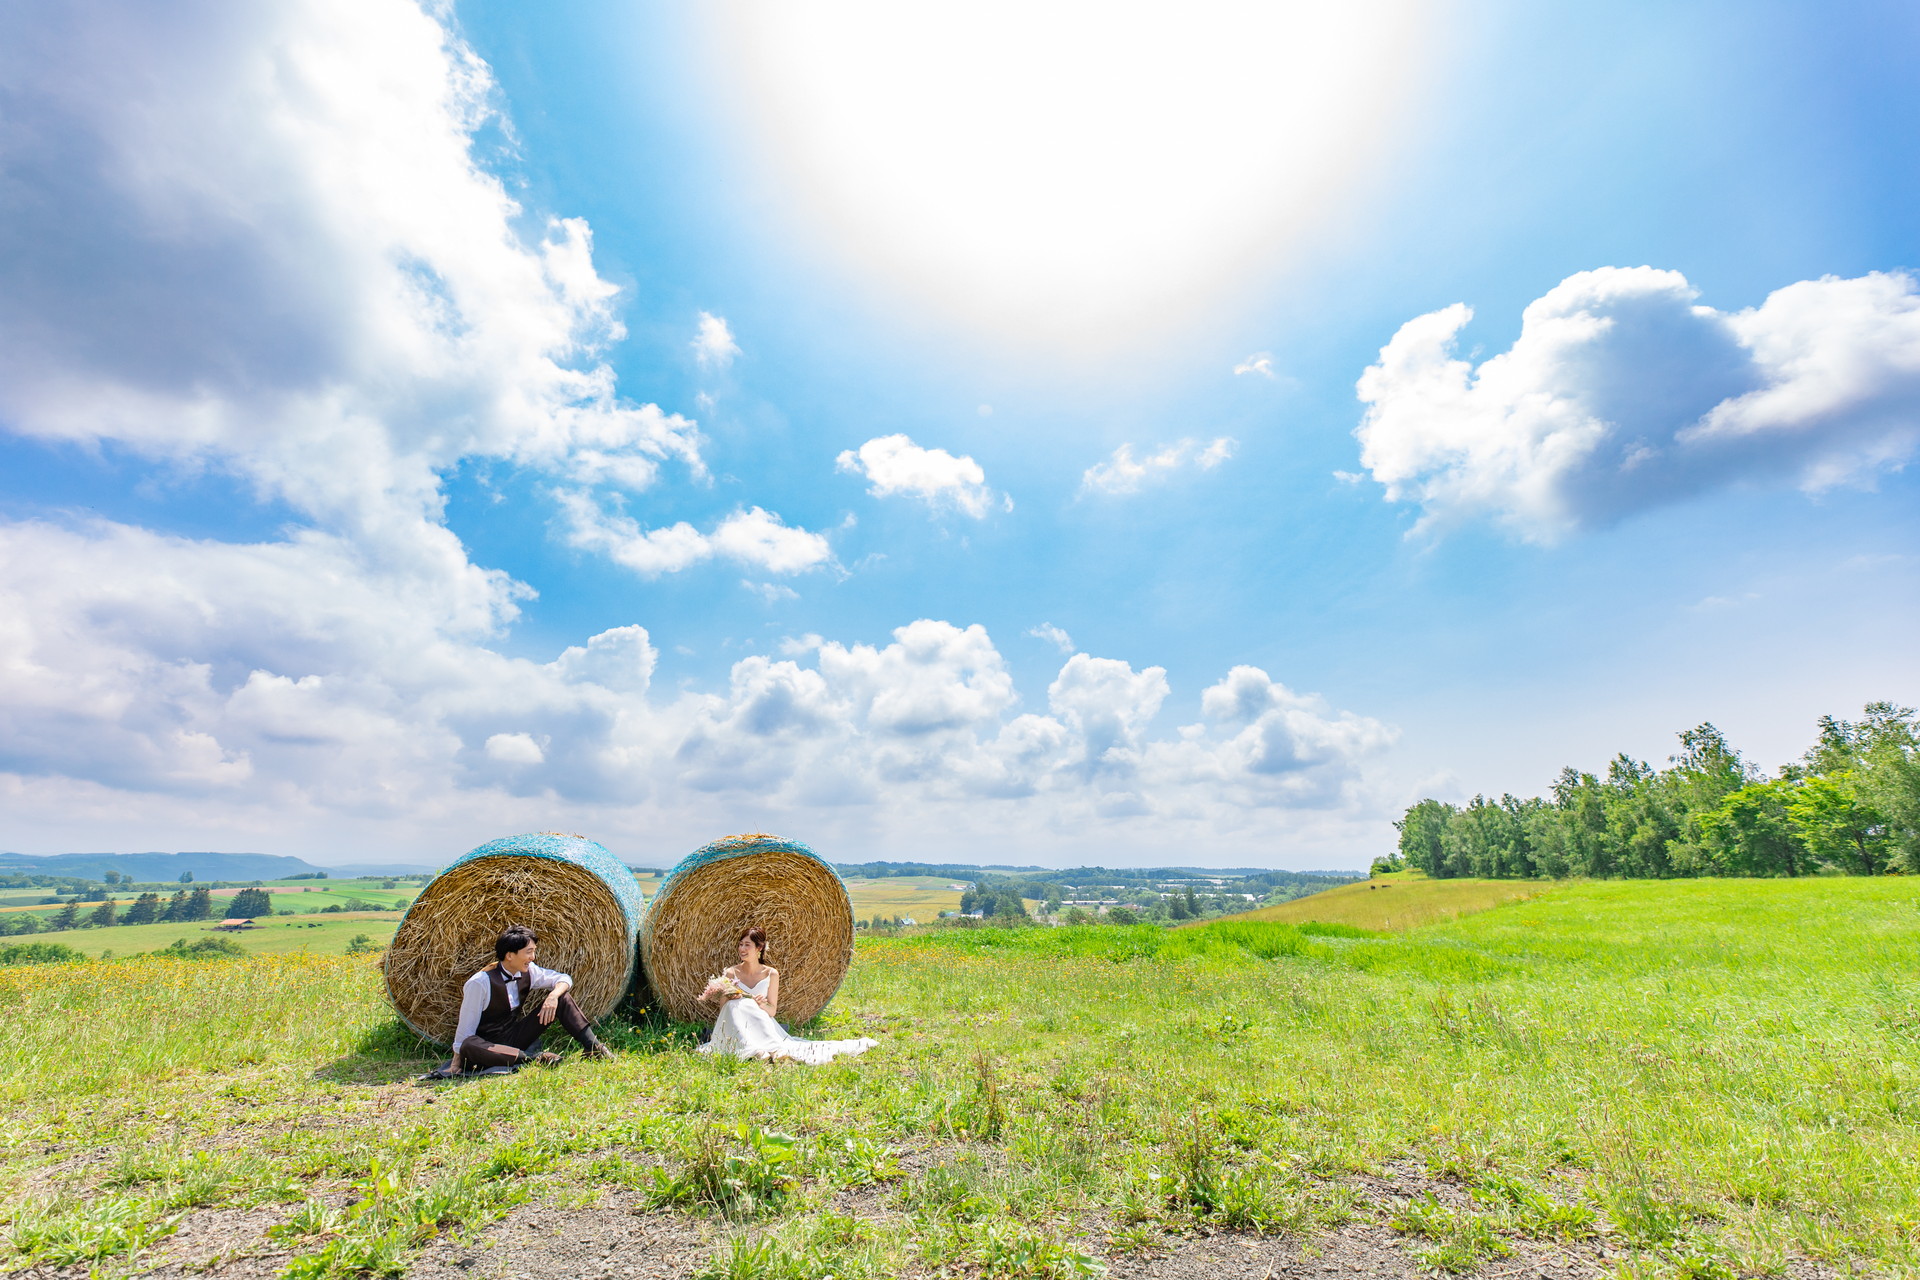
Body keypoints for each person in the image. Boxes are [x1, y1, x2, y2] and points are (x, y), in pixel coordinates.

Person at [440, 925, 614, 1075]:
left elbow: (564, 978)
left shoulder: (529, 971)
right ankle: (534, 1059)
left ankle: (594, 1047)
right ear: (510, 955)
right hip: (486, 1048)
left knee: (561, 997)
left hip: (513, 1036)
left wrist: (553, 996)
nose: (533, 957)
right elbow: (465, 1029)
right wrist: (456, 1063)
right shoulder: (479, 983)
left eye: (533, 951)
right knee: (468, 1044)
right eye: (529, 952)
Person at [696, 926, 877, 1065]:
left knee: (749, 1005)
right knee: (736, 1005)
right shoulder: (730, 973)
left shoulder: (771, 974)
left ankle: (759, 1049)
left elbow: (772, 1011)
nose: (742, 949)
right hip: (734, 1022)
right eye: (740, 944)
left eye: (747, 945)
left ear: (759, 948)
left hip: (760, 1021)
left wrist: (761, 1004)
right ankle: (751, 1048)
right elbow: (723, 1009)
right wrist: (732, 998)